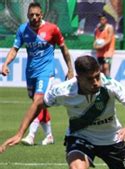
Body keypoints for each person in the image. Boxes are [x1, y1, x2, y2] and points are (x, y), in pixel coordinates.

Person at [1, 2, 74, 146]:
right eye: (31, 15)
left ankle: (30, 135)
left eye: (36, 14)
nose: (34, 17)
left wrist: (70, 69)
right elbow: (15, 48)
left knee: (38, 100)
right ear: (28, 15)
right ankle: (49, 135)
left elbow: (64, 49)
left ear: (42, 15)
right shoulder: (23, 29)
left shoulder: (52, 29)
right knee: (38, 104)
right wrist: (5, 64)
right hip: (30, 72)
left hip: (46, 72)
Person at [94, 13, 115, 78]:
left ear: (106, 20)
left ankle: (109, 82)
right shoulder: (97, 28)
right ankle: (102, 84)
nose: (101, 21)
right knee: (100, 69)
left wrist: (101, 45)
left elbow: (109, 39)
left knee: (106, 67)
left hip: (108, 52)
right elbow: (96, 39)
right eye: (100, 19)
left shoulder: (109, 27)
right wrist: (95, 45)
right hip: (100, 53)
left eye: (103, 19)